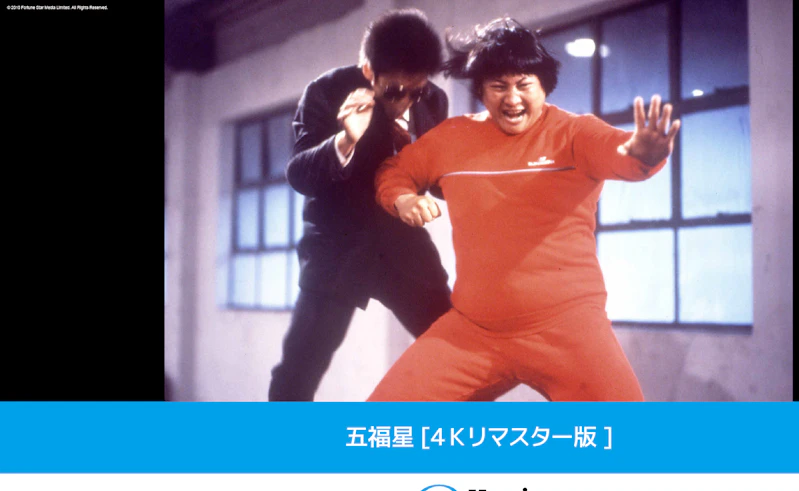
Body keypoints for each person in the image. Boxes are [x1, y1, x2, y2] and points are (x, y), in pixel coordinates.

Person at [368, 17, 681, 401]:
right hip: (474, 331)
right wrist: (403, 199)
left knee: (629, 435)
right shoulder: (451, 138)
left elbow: (620, 153)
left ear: (544, 86)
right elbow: (393, 171)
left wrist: (643, 153)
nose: (512, 99)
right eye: (498, 86)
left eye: (523, 85)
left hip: (568, 330)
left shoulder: (575, 133)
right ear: (481, 90)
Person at [268, 8, 452, 401]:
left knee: (457, 348)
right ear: (369, 71)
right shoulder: (326, 90)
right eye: (395, 91)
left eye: (416, 91)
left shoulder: (434, 101)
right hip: (338, 247)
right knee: (298, 371)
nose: (406, 102)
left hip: (403, 246)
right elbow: (299, 174)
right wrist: (345, 139)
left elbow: (440, 179)